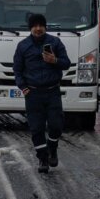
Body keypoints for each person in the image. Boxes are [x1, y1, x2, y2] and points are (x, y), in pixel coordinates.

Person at [12, 12, 71, 172]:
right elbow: (17, 70)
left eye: (41, 26)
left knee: (56, 125)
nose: (38, 29)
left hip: (52, 92)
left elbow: (67, 63)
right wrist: (23, 87)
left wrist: (55, 60)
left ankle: (52, 147)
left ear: (45, 27)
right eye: (35, 26)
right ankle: (43, 159)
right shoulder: (23, 46)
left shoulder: (55, 42)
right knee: (36, 128)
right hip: (33, 93)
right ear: (30, 28)